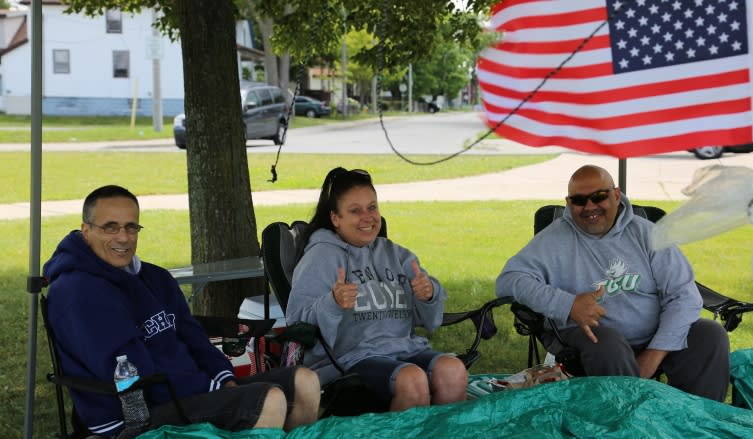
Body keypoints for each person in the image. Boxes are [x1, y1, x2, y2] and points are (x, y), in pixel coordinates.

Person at [43, 185, 320, 437]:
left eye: (131, 227)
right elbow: (132, 372)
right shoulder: (77, 292)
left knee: (304, 382)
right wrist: (211, 390)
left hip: (186, 391)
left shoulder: (155, 278)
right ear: (86, 229)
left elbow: (193, 336)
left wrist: (224, 380)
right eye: (110, 227)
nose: (123, 238)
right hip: (134, 414)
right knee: (268, 400)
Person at [496, 165, 730, 401]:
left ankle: (696, 422)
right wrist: (568, 305)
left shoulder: (648, 234)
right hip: (591, 340)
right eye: (579, 200)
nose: (589, 207)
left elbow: (685, 296)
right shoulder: (553, 240)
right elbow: (509, 280)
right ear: (568, 203)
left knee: (710, 335)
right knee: (606, 342)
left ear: (616, 195)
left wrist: (653, 355)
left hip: (655, 338)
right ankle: (628, 424)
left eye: (599, 196)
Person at [286, 167, 468, 412]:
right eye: (355, 210)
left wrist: (428, 295)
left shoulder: (395, 254)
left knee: (454, 370)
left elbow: (428, 319)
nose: (367, 217)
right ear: (335, 218)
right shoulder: (320, 257)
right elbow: (297, 323)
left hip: (404, 348)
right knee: (412, 380)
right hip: (348, 359)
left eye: (372, 207)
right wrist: (333, 303)